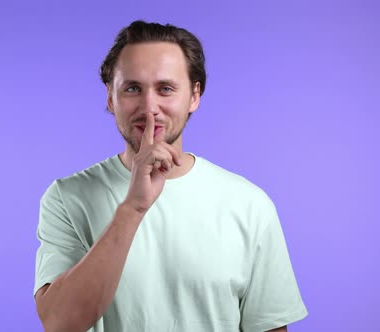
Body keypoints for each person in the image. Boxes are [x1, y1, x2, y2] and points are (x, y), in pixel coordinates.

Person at [33, 20, 308, 332]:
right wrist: (133, 209)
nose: (150, 107)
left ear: (194, 96)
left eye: (165, 89)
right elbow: (59, 323)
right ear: (111, 97)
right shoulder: (67, 198)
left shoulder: (249, 204)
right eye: (132, 88)